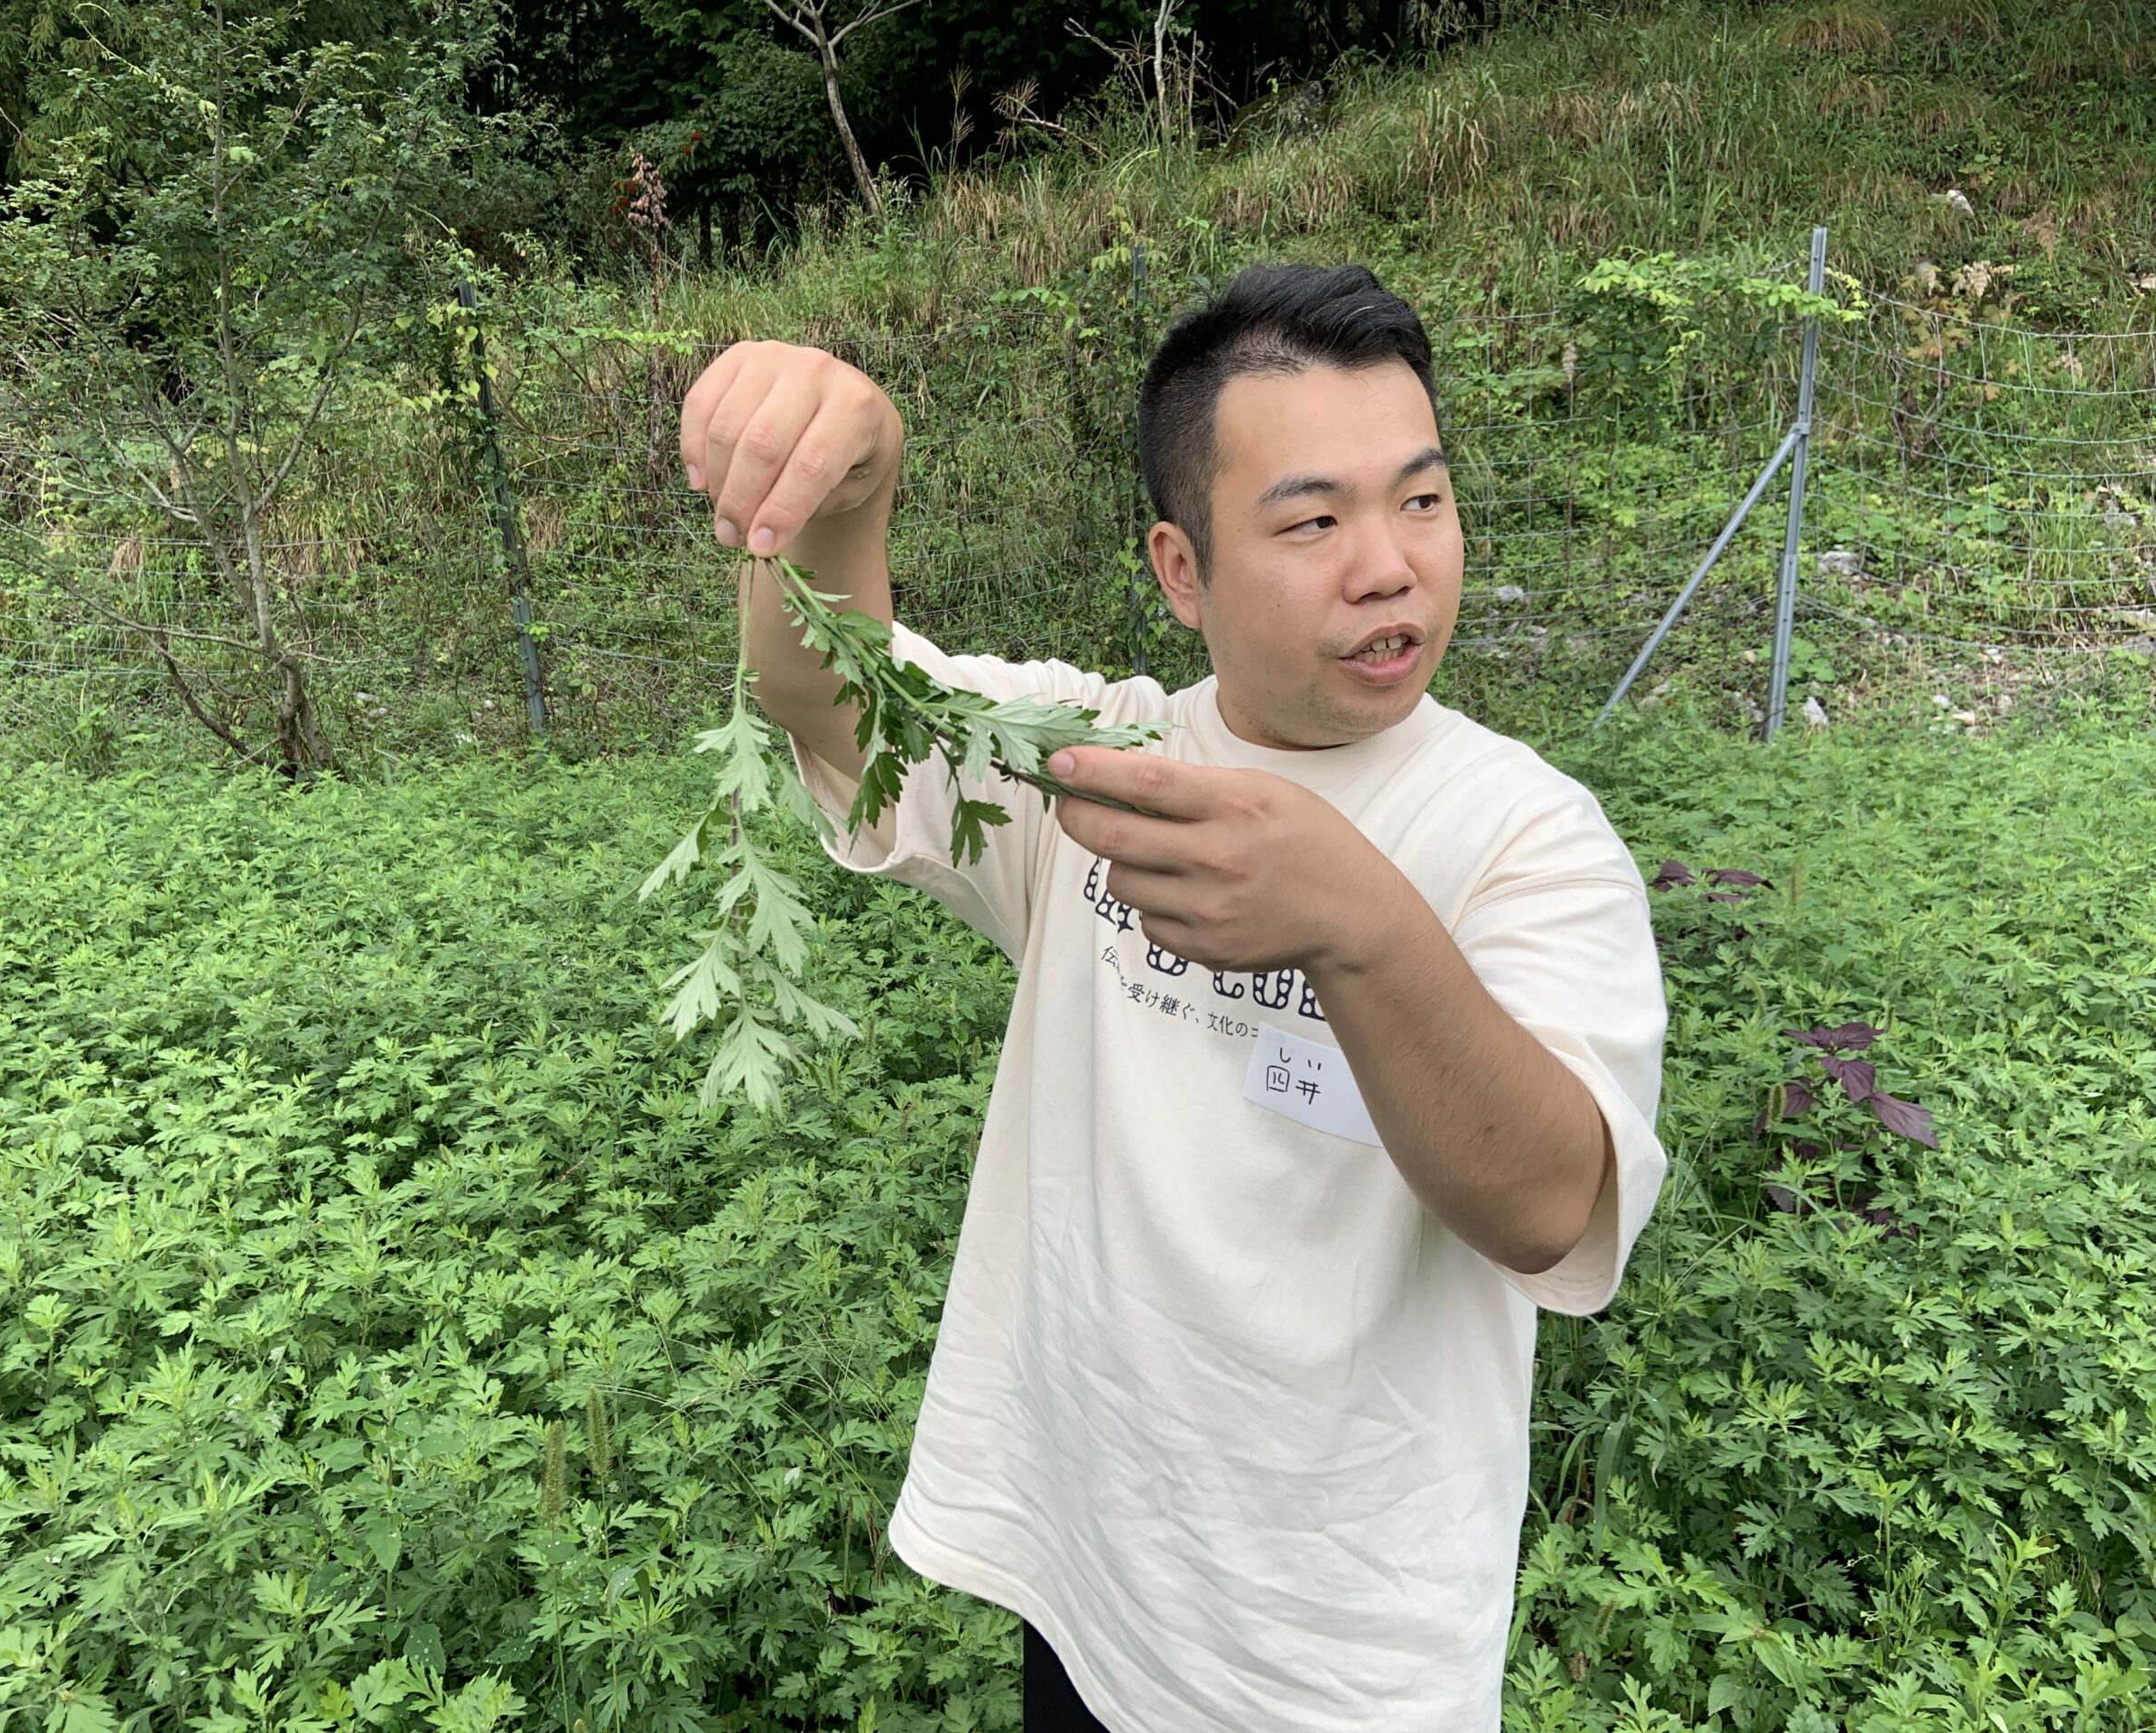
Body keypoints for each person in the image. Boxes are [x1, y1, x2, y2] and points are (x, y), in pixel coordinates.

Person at [677, 263, 1669, 1731]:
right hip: (1088, 1587)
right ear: (1181, 569)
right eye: (1313, 521)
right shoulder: (1094, 764)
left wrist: (1357, 925)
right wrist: (839, 497)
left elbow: (1548, 1203)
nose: (1389, 565)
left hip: (1337, 1661)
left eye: (1422, 500)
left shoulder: (1526, 837)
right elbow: (831, 698)